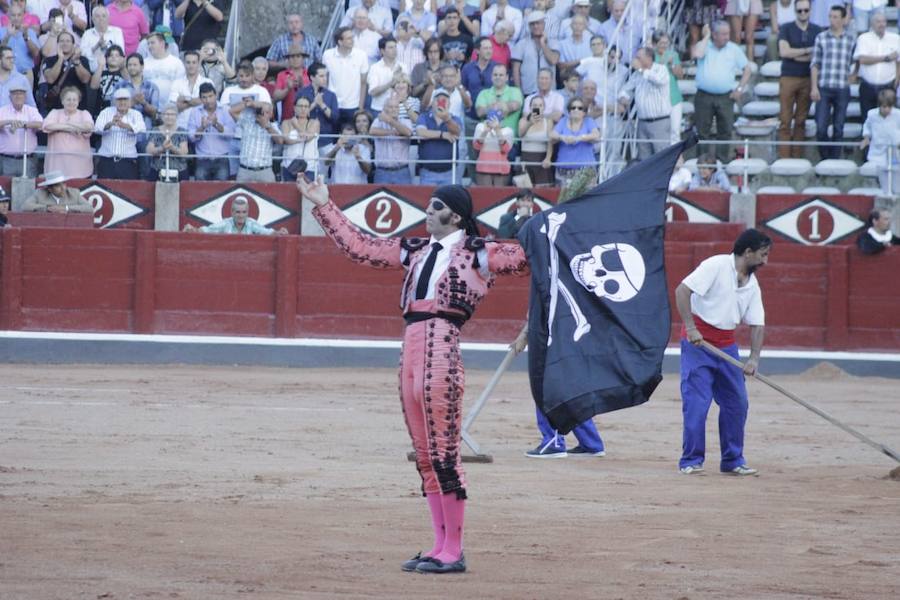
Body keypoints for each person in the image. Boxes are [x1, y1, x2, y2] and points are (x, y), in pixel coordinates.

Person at [298, 176, 529, 575]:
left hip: (442, 342)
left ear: (455, 216)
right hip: (412, 345)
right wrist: (324, 206)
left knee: (444, 453)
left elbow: (526, 258)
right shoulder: (415, 249)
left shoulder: (480, 253)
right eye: (429, 204)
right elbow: (361, 248)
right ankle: (439, 546)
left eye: (437, 206)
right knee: (425, 454)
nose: (428, 211)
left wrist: (553, 226)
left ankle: (453, 550)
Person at [675, 228, 771, 477]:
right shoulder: (715, 265)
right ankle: (691, 460)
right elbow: (682, 291)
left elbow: (757, 322)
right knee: (697, 403)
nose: (765, 261)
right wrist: (691, 327)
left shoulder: (752, 283)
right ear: (747, 252)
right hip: (699, 345)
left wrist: (754, 358)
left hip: (727, 346)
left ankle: (732, 459)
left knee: (737, 403)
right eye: (763, 255)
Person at [692, 21, 751, 162]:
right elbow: (697, 54)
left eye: (728, 33)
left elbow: (747, 69)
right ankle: (702, 164)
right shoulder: (704, 46)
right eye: (723, 34)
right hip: (704, 96)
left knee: (725, 131)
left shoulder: (734, 49)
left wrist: (740, 89)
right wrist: (706, 36)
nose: (727, 37)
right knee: (702, 132)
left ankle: (722, 163)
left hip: (726, 97)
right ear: (714, 34)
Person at [810, 4, 856, 160]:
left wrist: (855, 73)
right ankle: (825, 158)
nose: (832, 20)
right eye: (830, 16)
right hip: (824, 86)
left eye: (836, 17)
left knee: (838, 127)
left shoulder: (850, 39)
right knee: (821, 127)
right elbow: (815, 63)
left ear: (844, 19)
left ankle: (834, 160)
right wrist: (814, 87)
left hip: (842, 87)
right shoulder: (821, 38)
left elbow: (857, 59)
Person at [777, 0, 821, 159]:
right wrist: (806, 51)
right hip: (788, 77)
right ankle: (784, 158)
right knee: (785, 120)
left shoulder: (817, 30)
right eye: (800, 10)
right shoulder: (786, 28)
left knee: (801, 120)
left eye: (806, 10)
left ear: (810, 11)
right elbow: (784, 52)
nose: (803, 13)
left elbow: (816, 57)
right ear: (795, 11)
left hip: (807, 79)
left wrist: (795, 54)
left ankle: (797, 157)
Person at [618, 46, 671, 161]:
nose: (635, 60)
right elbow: (625, 89)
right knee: (644, 158)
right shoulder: (636, 75)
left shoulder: (661, 69)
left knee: (661, 156)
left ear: (648, 58)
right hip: (642, 122)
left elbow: (659, 80)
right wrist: (623, 98)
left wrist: (642, 70)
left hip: (659, 122)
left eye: (638, 57)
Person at [852, 11, 900, 121]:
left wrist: (897, 79)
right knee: (867, 119)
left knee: (889, 121)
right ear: (872, 24)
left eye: (883, 21)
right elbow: (862, 59)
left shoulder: (895, 39)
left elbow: (898, 61)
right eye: (878, 22)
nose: (881, 24)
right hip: (867, 86)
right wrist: (886, 58)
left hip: (888, 86)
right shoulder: (864, 38)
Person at [323, 26, 369, 130]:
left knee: (352, 140)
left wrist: (360, 107)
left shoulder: (361, 55)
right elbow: (325, 79)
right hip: (333, 104)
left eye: (352, 37)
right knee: (334, 137)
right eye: (349, 38)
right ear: (339, 41)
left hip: (353, 106)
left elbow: (363, 82)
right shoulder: (327, 55)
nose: (352, 40)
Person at [42, 85, 93, 178]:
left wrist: (62, 126)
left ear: (78, 101)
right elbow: (47, 126)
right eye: (68, 99)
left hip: (80, 167)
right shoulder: (55, 112)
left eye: (74, 99)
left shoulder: (84, 114)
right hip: (56, 166)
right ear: (62, 101)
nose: (71, 102)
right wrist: (71, 128)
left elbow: (88, 127)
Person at [94, 87, 146, 179]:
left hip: (128, 161)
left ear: (130, 101)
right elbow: (97, 128)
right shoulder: (106, 112)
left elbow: (142, 129)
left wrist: (124, 125)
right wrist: (111, 124)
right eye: (119, 100)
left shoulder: (136, 114)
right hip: (107, 161)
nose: (122, 102)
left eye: (125, 99)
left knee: (128, 191)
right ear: (114, 101)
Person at [550, 96, 600, 187]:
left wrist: (579, 138)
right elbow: (552, 134)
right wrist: (562, 137)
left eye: (580, 108)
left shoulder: (589, 121)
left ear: (584, 112)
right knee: (563, 199)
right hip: (563, 171)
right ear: (569, 111)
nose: (576, 110)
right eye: (573, 108)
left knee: (585, 200)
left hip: (586, 171)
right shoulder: (563, 121)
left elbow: (596, 135)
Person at [188, 81, 233, 181]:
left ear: (216, 95)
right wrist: (202, 127)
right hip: (202, 160)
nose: (208, 100)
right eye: (204, 97)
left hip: (222, 159)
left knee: (222, 192)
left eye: (210, 96)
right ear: (200, 99)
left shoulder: (225, 110)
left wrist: (216, 125)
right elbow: (191, 137)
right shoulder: (194, 112)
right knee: (201, 192)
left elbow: (230, 134)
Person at [416, 88, 462, 185]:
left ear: (449, 104)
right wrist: (442, 135)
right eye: (438, 100)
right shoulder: (424, 117)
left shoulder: (455, 119)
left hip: (450, 173)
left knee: (451, 200)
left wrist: (447, 119)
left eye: (444, 100)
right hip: (427, 173)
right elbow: (421, 132)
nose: (441, 103)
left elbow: (457, 132)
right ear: (432, 103)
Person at [860, 88, 900, 195]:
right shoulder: (871, 115)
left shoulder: (898, 114)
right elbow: (867, 127)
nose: (887, 110)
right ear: (879, 105)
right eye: (884, 107)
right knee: (881, 172)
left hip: (895, 151)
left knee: (895, 173)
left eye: (889, 107)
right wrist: (866, 137)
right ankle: (884, 193)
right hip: (877, 152)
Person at [511, 11, 559, 97]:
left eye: (538, 23)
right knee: (533, 111)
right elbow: (516, 69)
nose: (535, 26)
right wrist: (518, 91)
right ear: (529, 26)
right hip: (528, 90)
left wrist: (543, 44)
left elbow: (553, 60)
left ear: (544, 24)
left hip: (549, 91)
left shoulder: (553, 43)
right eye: (532, 24)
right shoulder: (521, 44)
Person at [184, 196, 288, 235]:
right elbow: (208, 230)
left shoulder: (251, 223)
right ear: (232, 213)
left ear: (247, 213)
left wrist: (278, 232)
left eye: (244, 212)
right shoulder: (226, 223)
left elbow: (266, 232)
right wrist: (193, 230)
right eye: (238, 212)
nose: (241, 215)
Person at [41, 30, 91, 111]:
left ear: (73, 44)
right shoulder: (49, 60)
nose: (65, 43)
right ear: (57, 44)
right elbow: (50, 79)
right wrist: (60, 59)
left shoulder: (82, 60)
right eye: (62, 41)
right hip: (56, 106)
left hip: (78, 107)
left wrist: (77, 63)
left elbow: (85, 79)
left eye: (68, 41)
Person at [0, 80, 41, 177]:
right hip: (6, 160)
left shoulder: (32, 110)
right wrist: (10, 121)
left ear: (25, 97)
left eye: (21, 94)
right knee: (5, 190)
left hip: (28, 160)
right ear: (10, 97)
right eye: (15, 94)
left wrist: (24, 125)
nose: (18, 96)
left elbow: (40, 124)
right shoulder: (2, 111)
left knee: (28, 189)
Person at [370, 95, 413, 184]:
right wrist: (393, 132)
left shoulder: (406, 121)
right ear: (384, 109)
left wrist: (390, 121)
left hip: (402, 171)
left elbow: (408, 133)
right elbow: (372, 131)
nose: (394, 109)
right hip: (382, 172)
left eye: (396, 107)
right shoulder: (378, 121)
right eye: (390, 107)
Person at [298, 62, 339, 155]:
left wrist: (322, 104)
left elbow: (335, 118)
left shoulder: (331, 95)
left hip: (326, 140)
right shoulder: (302, 93)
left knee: (324, 168)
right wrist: (314, 104)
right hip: (306, 139)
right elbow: (298, 115)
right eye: (321, 76)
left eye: (326, 75)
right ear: (312, 77)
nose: (325, 79)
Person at [235, 102, 280, 183]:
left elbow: (280, 141)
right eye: (260, 111)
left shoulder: (273, 126)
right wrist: (249, 104)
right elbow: (232, 111)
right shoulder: (247, 122)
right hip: (245, 170)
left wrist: (267, 127)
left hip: (265, 171)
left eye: (265, 112)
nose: (262, 114)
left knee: (270, 195)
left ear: (270, 114)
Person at [653, 31, 684, 145]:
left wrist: (672, 64)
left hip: (673, 97)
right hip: (657, 100)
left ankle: (675, 158)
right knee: (660, 131)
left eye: (666, 43)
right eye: (661, 43)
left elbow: (680, 75)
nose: (664, 46)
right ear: (655, 44)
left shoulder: (673, 54)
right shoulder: (650, 55)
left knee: (675, 131)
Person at [280, 95, 320, 182]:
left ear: (309, 109)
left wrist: (296, 125)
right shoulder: (286, 123)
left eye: (306, 106)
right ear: (294, 108)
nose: (303, 109)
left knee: (308, 194)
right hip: (289, 166)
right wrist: (300, 140)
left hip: (309, 167)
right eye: (300, 106)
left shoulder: (314, 122)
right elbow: (286, 140)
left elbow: (308, 138)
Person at [474, 62, 522, 132]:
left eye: (501, 75)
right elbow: (479, 112)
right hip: (487, 136)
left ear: (507, 77)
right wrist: (493, 107)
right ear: (491, 77)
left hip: (508, 138)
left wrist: (496, 107)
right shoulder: (483, 93)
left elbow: (515, 105)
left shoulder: (515, 91)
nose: (498, 77)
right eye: (495, 75)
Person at [518, 93, 554, 186]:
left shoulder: (548, 122)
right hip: (526, 158)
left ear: (544, 108)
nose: (537, 107)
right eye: (534, 105)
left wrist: (548, 158)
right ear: (530, 107)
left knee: (542, 190)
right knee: (525, 189)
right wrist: (530, 123)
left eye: (540, 105)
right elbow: (520, 134)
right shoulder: (523, 120)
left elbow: (550, 142)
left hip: (541, 159)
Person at [142, 30, 184, 109]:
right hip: (147, 108)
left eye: (152, 43)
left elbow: (180, 86)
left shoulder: (176, 63)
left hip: (170, 109)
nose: (150, 46)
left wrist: (172, 104)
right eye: (148, 43)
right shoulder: (143, 63)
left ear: (162, 43)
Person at [145, 103, 188, 181]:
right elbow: (149, 150)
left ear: (176, 116)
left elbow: (184, 152)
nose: (169, 117)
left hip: (179, 169)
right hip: (157, 169)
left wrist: (172, 147)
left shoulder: (182, 131)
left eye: (172, 114)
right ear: (162, 116)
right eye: (167, 114)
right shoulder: (155, 130)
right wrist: (162, 148)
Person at [0, 2, 40, 85]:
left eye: (19, 15)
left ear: (23, 16)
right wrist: (8, 36)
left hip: (25, 74)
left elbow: (35, 54)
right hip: (5, 74)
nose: (16, 18)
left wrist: (26, 37)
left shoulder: (30, 32)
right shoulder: (1, 31)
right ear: (8, 16)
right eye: (13, 15)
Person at [368, 36, 407, 117]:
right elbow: (373, 92)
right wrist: (391, 83)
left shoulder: (403, 66)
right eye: (390, 47)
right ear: (382, 51)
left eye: (395, 47)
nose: (395, 50)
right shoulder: (375, 68)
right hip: (379, 109)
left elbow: (408, 90)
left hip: (398, 109)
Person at [80, 3, 124, 72]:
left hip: (113, 72)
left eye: (104, 16)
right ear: (92, 19)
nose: (101, 19)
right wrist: (96, 47)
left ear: (108, 18)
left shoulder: (117, 32)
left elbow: (121, 53)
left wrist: (106, 48)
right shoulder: (87, 34)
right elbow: (83, 54)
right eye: (97, 16)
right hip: (92, 72)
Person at [472, 110, 512, 185]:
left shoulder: (508, 131)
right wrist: (485, 131)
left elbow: (505, 149)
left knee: (500, 195)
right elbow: (476, 147)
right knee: (485, 194)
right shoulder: (480, 127)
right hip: (483, 168)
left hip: (501, 169)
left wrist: (497, 130)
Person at [22, 170, 93, 212]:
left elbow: (89, 208)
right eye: (58, 185)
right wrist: (47, 208)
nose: (63, 188)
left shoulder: (74, 193)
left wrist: (66, 208)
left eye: (64, 184)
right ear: (49, 189)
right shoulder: (40, 193)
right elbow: (25, 206)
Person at [272, 44, 309, 121]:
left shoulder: (310, 74)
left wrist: (302, 88)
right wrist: (287, 89)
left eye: (298, 56)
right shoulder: (282, 75)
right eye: (292, 57)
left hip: (307, 120)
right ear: (288, 59)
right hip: (287, 120)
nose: (295, 59)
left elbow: (314, 97)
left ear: (303, 59)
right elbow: (275, 98)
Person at [88, 43, 125, 115]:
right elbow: (93, 86)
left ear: (122, 58)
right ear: (106, 58)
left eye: (117, 55)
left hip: (119, 108)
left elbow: (129, 80)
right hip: (101, 109)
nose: (113, 57)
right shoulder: (101, 72)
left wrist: (123, 66)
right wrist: (101, 66)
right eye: (111, 55)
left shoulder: (123, 73)